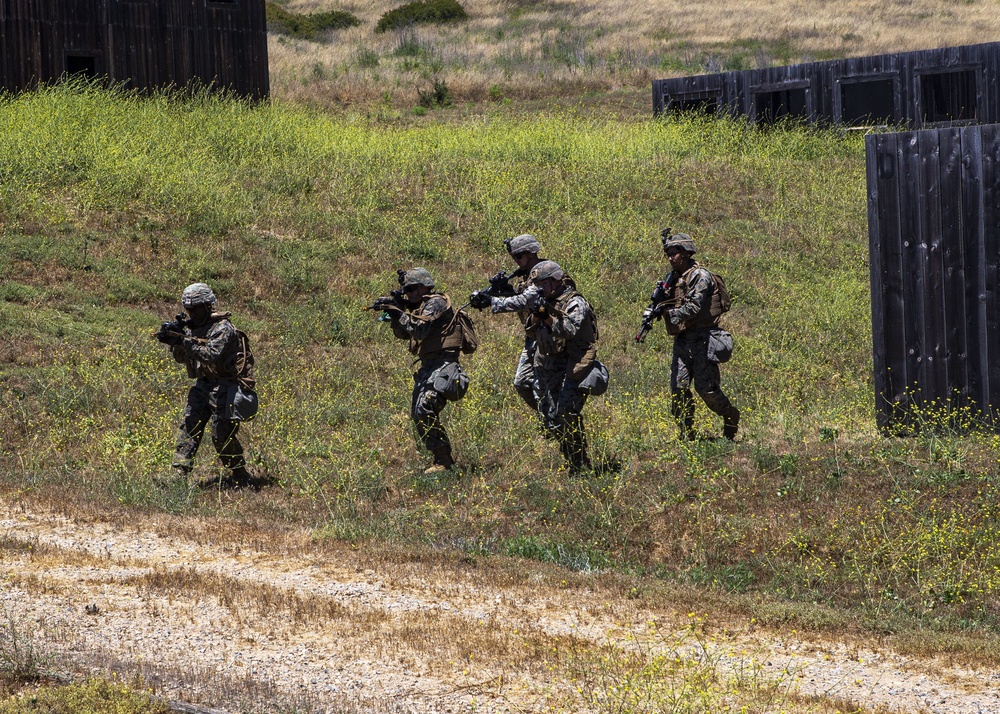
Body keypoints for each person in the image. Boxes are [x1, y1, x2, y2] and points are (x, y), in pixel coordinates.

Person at [155, 283, 258, 488]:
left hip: (225, 388)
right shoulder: (193, 328)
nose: (192, 313)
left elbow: (210, 355)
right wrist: (174, 340)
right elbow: (183, 358)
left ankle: (239, 473)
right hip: (203, 386)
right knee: (189, 427)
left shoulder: (222, 328)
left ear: (208, 306)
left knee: (221, 435)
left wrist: (183, 341)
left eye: (196, 308)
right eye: (188, 309)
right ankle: (178, 473)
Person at [382, 268, 469, 474]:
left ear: (424, 286)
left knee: (425, 407)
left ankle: (443, 461)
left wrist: (398, 312)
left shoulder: (435, 302)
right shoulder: (419, 306)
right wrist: (397, 313)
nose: (409, 294)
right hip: (428, 366)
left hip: (444, 365)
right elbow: (405, 334)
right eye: (406, 290)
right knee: (418, 413)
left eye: (412, 289)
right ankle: (442, 460)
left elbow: (420, 329)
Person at [657, 232, 740, 441]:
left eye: (673, 254)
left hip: (703, 340)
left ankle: (730, 416)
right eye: (667, 254)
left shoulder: (700, 276)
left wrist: (671, 314)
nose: (669, 258)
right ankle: (687, 434)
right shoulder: (675, 278)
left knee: (706, 390)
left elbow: (694, 306)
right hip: (684, 339)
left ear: (684, 254)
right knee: (678, 387)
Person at [527, 260, 601, 473]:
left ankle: (579, 462)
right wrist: (535, 313)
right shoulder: (546, 301)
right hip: (552, 364)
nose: (538, 288)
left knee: (566, 412)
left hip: (575, 363)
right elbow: (531, 331)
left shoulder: (575, 302)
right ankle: (572, 458)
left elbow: (569, 329)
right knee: (551, 418)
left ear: (554, 281)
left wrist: (546, 316)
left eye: (541, 283)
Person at [468, 234, 547, 412]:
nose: (516, 261)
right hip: (533, 336)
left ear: (532, 253)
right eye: (514, 257)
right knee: (522, 382)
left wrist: (492, 301)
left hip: (547, 337)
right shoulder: (526, 275)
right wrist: (503, 292)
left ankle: (552, 423)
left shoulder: (545, 273)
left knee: (541, 387)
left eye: (519, 256)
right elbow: (521, 298)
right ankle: (548, 417)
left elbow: (524, 301)